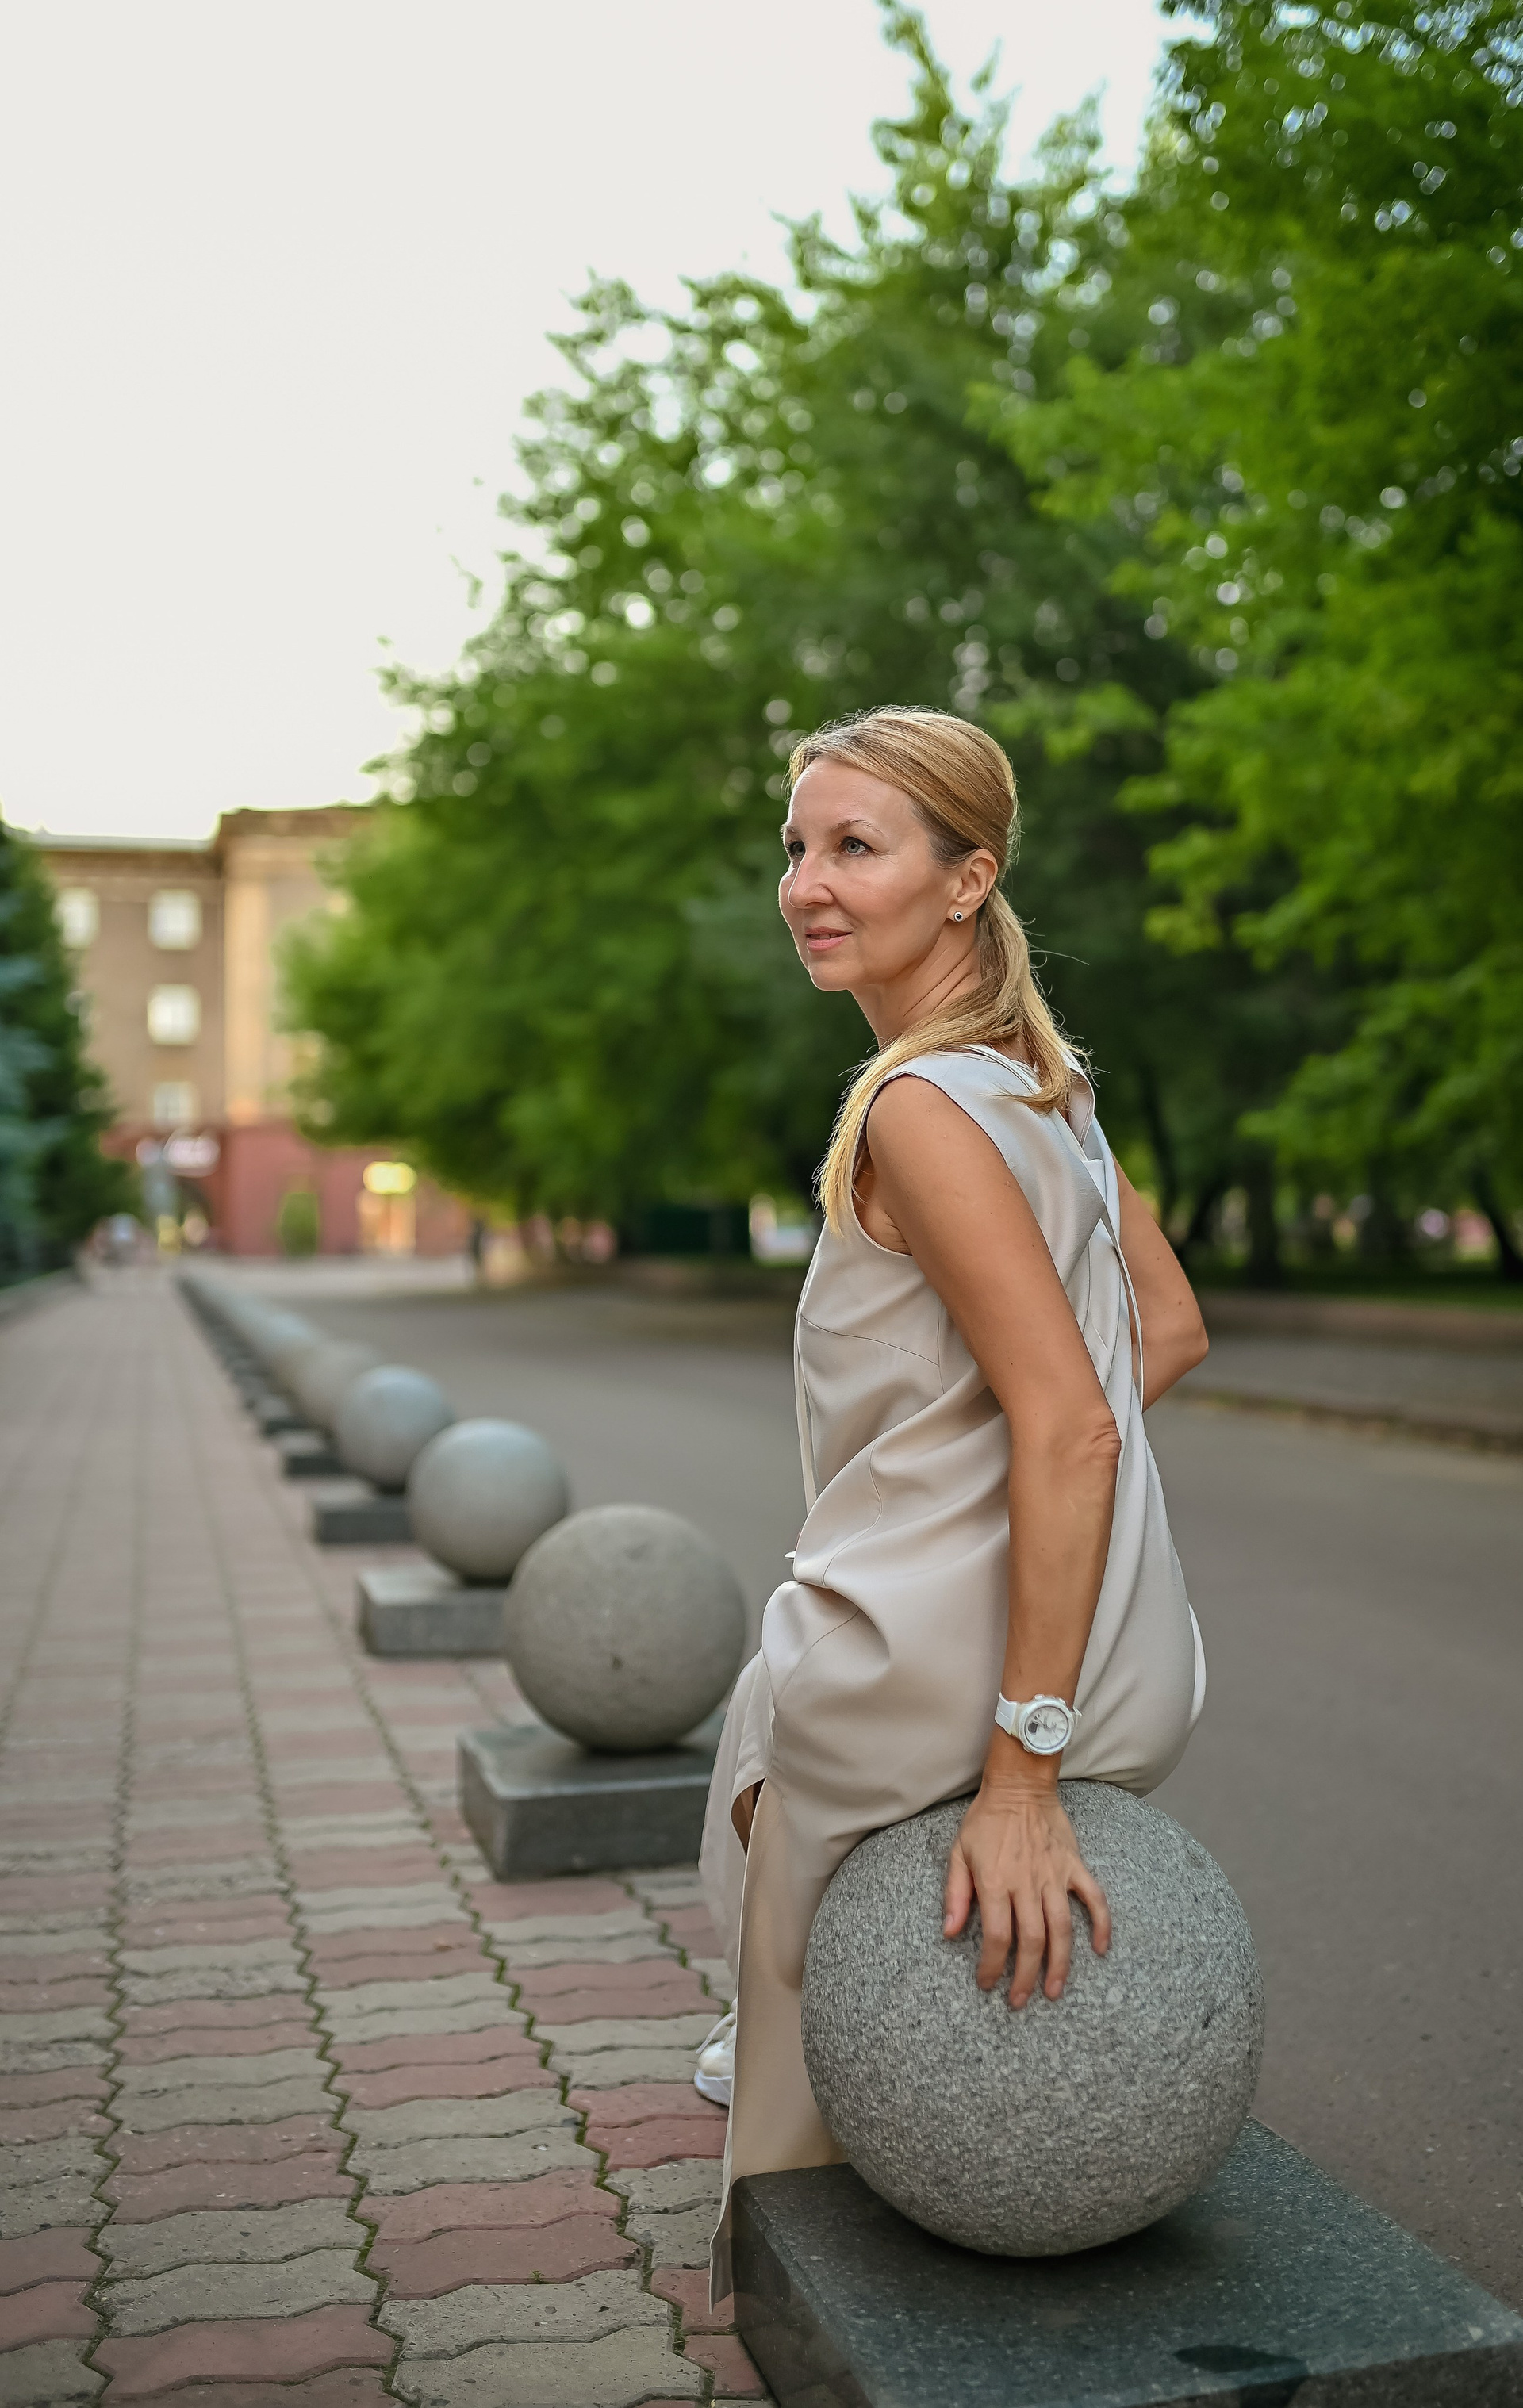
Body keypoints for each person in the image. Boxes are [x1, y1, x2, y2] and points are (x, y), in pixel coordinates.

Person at [696, 706, 1210, 2301]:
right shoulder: (1050, 1091)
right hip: (1131, 1657)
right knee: (759, 1699)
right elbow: (1168, 1334)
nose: (807, 884)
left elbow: (1072, 1431)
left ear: (968, 877)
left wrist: (1021, 1775)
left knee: (779, 1704)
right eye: (798, 846)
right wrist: (997, 1484)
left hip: (936, 1671)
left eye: (856, 846)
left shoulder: (920, 1109)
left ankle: (813, 2234)